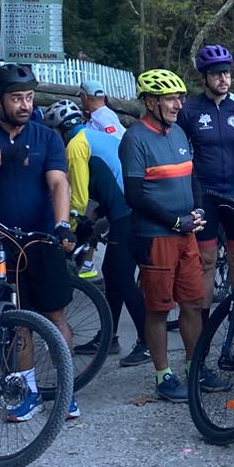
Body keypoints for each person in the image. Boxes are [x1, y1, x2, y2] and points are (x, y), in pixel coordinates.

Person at [0, 63, 79, 420]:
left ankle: (66, 390)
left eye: (28, 97)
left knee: (55, 315)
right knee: (17, 318)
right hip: (1, 242)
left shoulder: (46, 137)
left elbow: (58, 182)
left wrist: (62, 224)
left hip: (41, 238)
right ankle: (28, 392)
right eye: (16, 98)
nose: (25, 105)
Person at [119, 68, 221, 400]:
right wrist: (176, 222)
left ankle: (195, 368)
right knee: (159, 308)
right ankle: (163, 376)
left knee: (193, 302)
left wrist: (198, 209)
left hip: (186, 234)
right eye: (171, 99)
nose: (178, 105)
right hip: (155, 236)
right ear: (151, 102)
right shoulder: (135, 138)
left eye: (179, 98)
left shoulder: (177, 133)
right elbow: (134, 195)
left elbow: (192, 176)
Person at [44, 99, 149, 369]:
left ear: (58, 131)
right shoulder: (96, 136)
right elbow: (112, 178)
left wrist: (69, 227)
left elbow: (79, 198)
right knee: (113, 275)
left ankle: (148, 342)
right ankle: (108, 337)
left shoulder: (74, 146)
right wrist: (96, 214)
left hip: (126, 213)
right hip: (133, 207)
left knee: (122, 277)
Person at [179, 45, 234, 300]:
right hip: (206, 194)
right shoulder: (189, 110)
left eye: (227, 73)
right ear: (204, 77)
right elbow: (179, 151)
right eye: (216, 74)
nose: (223, 79)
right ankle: (203, 320)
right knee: (207, 260)